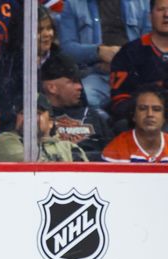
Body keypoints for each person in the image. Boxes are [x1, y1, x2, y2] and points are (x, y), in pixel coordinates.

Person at [59, 0, 151, 109]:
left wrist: (119, 63)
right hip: (94, 74)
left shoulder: (143, 3)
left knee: (151, 102)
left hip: (134, 73)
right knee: (86, 97)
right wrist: (99, 52)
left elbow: (150, 44)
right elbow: (67, 50)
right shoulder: (72, 4)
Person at [40, 52, 112, 161]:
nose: (80, 87)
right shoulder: (37, 118)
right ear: (52, 88)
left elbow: (111, 156)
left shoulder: (94, 116)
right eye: (72, 82)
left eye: (79, 81)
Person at [109, 0, 168, 130]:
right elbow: (119, 102)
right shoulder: (129, 52)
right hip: (141, 121)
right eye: (161, 9)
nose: (166, 14)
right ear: (150, 16)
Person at [0, 94, 88, 162]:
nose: (29, 117)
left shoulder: (68, 147)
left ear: (50, 122)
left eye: (37, 113)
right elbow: (32, 169)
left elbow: (85, 177)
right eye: (23, 113)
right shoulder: (5, 141)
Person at [102, 88, 168, 162]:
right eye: (143, 109)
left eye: (156, 109)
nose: (150, 114)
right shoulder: (116, 148)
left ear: (164, 117)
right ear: (133, 115)